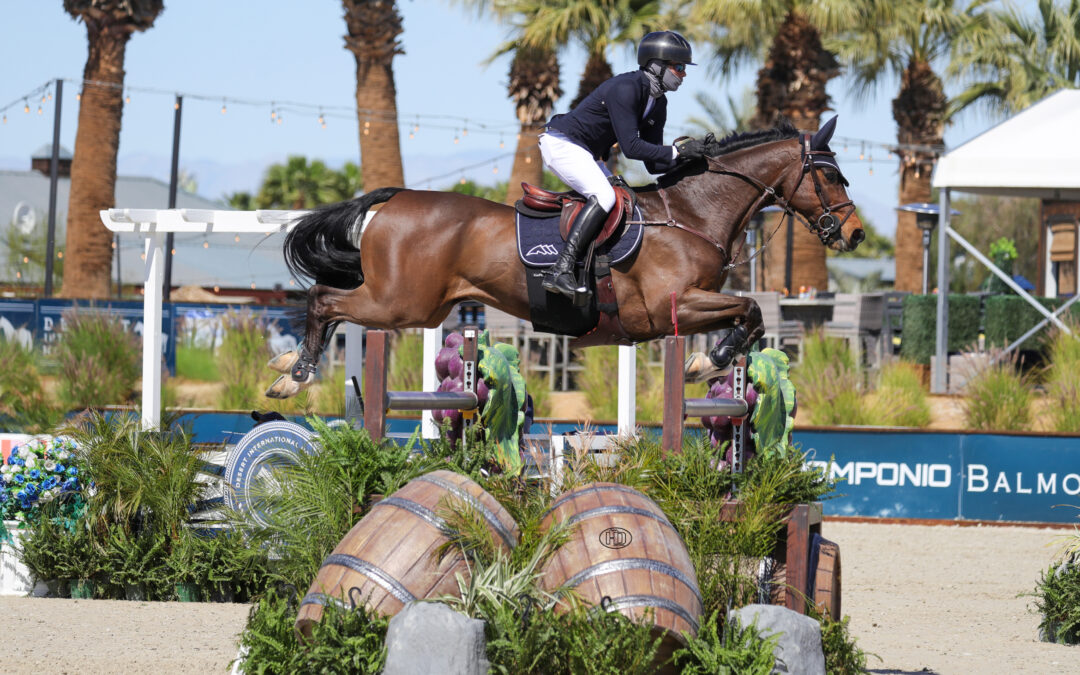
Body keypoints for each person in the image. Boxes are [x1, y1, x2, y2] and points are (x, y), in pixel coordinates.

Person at [538, 30, 708, 299]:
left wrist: (689, 157)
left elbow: (652, 164)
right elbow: (630, 148)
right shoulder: (626, 88)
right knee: (604, 196)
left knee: (622, 197)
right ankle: (561, 270)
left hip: (587, 153)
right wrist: (676, 151)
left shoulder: (658, 103)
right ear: (657, 65)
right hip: (563, 144)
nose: (683, 74)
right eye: (679, 67)